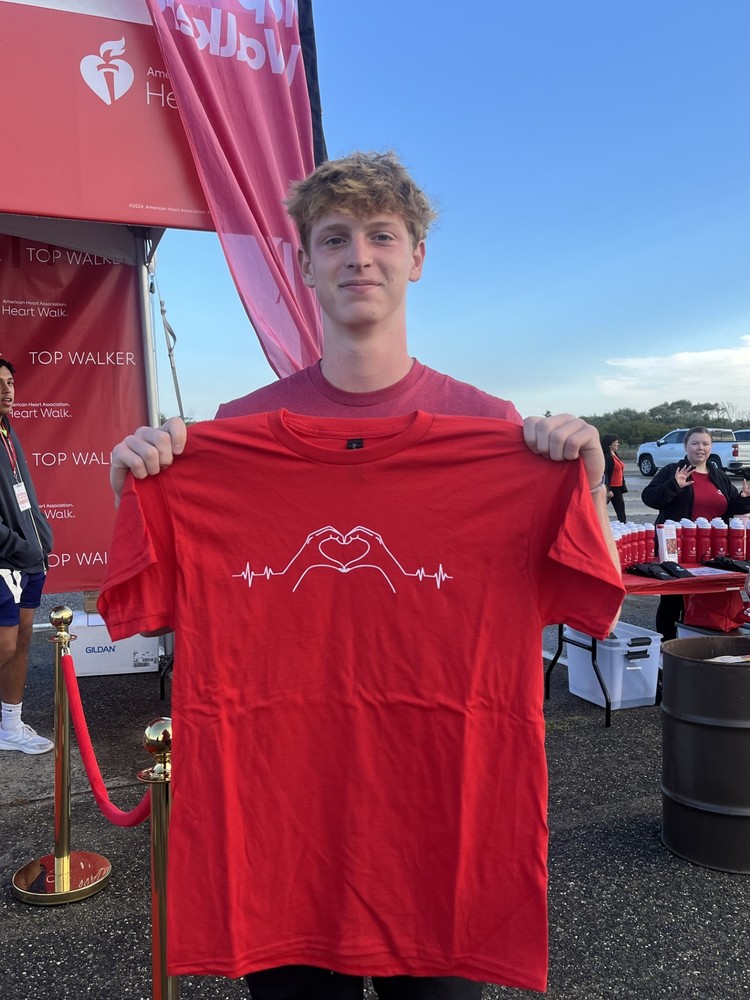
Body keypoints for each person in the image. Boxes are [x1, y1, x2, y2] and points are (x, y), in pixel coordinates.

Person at [106, 152, 622, 998]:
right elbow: (155, 616)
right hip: (280, 848)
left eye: (382, 235)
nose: (359, 257)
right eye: (334, 238)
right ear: (304, 264)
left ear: (416, 256)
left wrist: (587, 483)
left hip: (440, 843)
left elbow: (592, 601)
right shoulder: (228, 441)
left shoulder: (496, 435)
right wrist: (142, 489)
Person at [642, 425, 750, 639]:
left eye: (705, 444)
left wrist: (744, 499)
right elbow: (650, 498)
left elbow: (730, 509)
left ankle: (693, 643)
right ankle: (667, 646)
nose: (700, 448)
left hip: (711, 552)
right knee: (673, 600)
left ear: (711, 447)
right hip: (677, 548)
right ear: (686, 446)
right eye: (695, 443)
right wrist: (674, 485)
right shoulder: (673, 470)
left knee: (702, 599)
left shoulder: (718, 475)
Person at [0, 359, 54, 754]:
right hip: (7, 559)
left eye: (10, 382)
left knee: (20, 644)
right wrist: (19, 546)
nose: (7, 390)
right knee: (3, 646)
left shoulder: (7, 432)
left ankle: (10, 726)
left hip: (29, 559)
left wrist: (40, 535)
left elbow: (23, 493)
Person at [601, 434, 627, 522]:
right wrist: (607, 489)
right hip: (610, 487)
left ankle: (623, 528)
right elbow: (604, 474)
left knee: (621, 512)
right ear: (609, 444)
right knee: (599, 509)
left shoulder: (615, 454)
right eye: (616, 442)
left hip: (618, 487)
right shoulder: (606, 456)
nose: (618, 444)